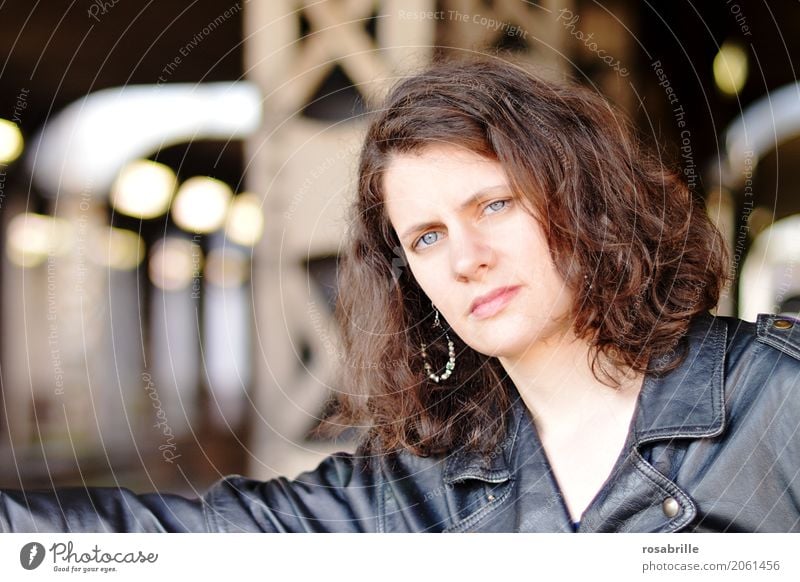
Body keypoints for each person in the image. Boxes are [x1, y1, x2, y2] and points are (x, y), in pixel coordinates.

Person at [2, 55, 799, 533]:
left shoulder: (777, 401)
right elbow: (181, 535)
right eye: (426, 237)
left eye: (494, 204)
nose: (466, 258)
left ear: (585, 199)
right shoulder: (420, 489)